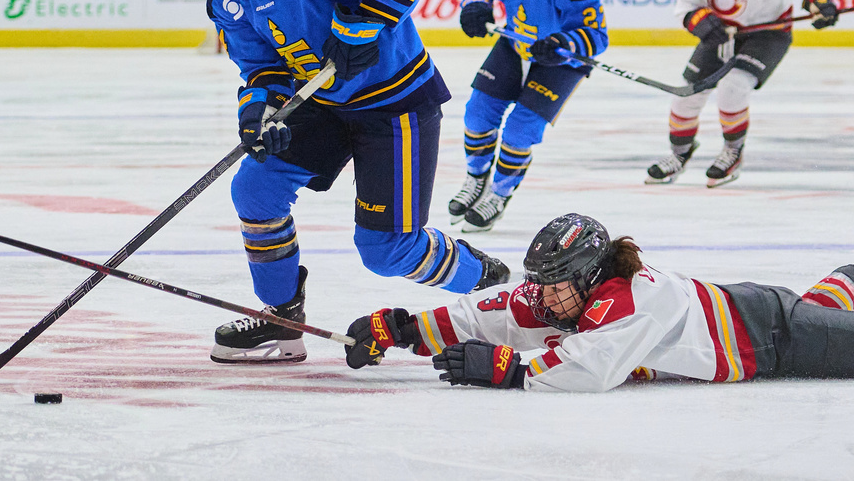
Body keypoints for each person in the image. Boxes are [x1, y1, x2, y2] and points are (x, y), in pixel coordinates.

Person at [194, 0, 510, 364]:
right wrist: (259, 113)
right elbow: (260, 67)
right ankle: (282, 316)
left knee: (386, 252)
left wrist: (358, 27)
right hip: (323, 103)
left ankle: (494, 287)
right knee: (255, 188)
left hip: (394, 102)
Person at [343, 212, 854, 392]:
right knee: (829, 307)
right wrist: (405, 328)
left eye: (555, 282)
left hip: (774, 337)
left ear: (588, 276)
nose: (542, 294)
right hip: (756, 312)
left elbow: (591, 369)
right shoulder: (563, 290)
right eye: (540, 280)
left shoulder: (637, 298)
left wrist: (511, 371)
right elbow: (487, 311)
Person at [645, 0, 839, 188]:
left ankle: (732, 152)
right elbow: (685, 7)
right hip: (725, 34)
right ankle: (679, 155)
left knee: (733, 87)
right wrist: (701, 22)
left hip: (768, 32)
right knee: (686, 96)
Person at [447, 0, 607, 232]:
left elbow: (597, 35)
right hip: (515, 42)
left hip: (560, 60)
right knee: (477, 114)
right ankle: (477, 179)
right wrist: (476, 6)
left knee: (520, 131)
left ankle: (499, 194)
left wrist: (565, 43)